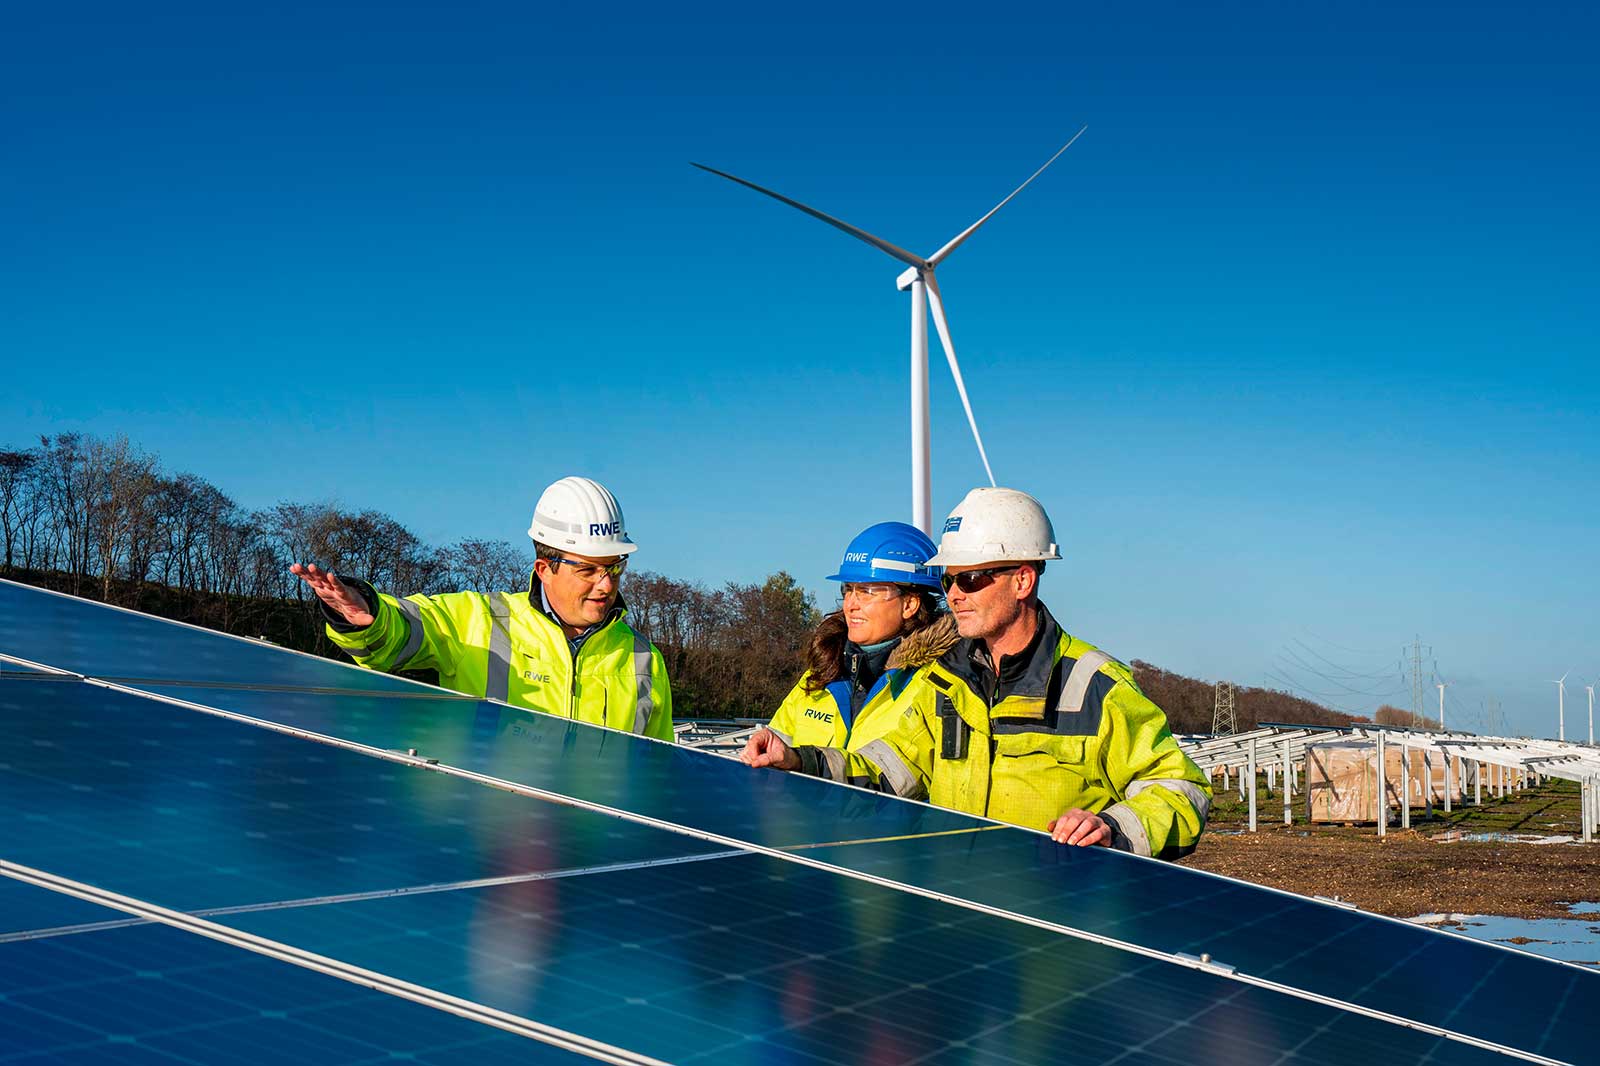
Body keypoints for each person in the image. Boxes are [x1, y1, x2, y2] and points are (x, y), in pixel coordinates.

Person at [744, 487, 1210, 859]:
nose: (954, 594)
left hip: (1052, 935)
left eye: (969, 579)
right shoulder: (946, 681)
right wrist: (799, 761)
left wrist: (1113, 826)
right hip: (957, 915)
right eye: (948, 580)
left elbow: (1180, 788)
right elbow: (888, 770)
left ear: (1023, 580)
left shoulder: (1094, 686)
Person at [291, 476, 673, 740]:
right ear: (544, 569)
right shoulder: (479, 621)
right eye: (588, 570)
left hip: (600, 849)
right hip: (486, 841)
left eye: (614, 567)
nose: (606, 585)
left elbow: (660, 774)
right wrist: (368, 618)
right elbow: (403, 628)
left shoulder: (644, 659)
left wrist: (730, 773)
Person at [761, 522, 957, 753]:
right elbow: (772, 750)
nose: (851, 604)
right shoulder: (823, 672)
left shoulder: (936, 684)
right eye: (849, 588)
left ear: (910, 604)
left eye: (868, 591)